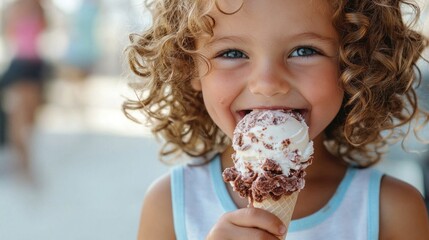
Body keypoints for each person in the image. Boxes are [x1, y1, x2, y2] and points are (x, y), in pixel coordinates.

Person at [123, 0, 429, 239]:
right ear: (189, 67)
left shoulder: (393, 210)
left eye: (304, 50)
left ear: (355, 63)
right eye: (231, 53)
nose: (268, 82)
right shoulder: (170, 204)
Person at [0, 0, 48, 175]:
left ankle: (24, 163)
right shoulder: (21, 9)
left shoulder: (37, 9)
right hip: (24, 66)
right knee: (20, 120)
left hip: (30, 67)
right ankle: (23, 163)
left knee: (27, 121)